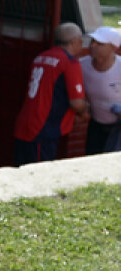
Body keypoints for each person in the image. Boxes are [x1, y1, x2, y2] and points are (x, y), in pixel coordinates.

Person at [13, 22, 87, 166]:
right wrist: (85, 109)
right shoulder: (69, 62)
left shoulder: (41, 57)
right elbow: (77, 103)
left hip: (25, 124)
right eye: (80, 40)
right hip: (43, 128)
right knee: (39, 177)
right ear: (74, 41)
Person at [79, 26, 121, 154]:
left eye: (100, 44)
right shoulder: (81, 65)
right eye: (92, 41)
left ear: (113, 48)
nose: (93, 46)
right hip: (96, 126)